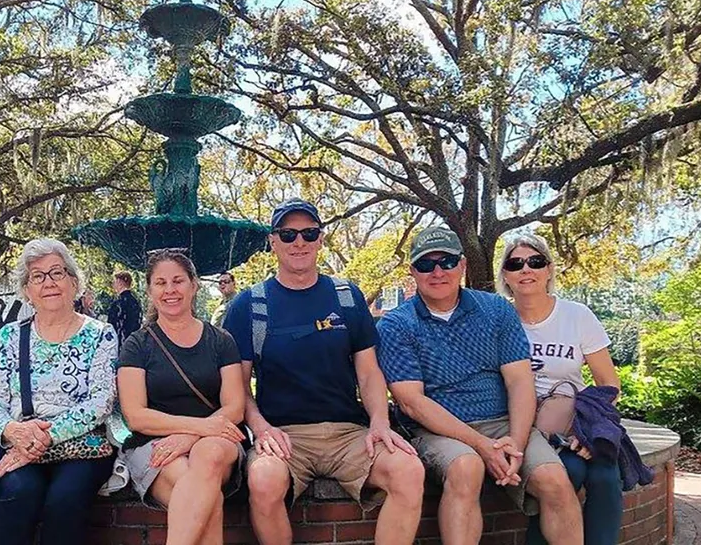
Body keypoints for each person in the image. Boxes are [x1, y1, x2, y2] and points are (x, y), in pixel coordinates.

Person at [223, 198, 424, 545]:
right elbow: (238, 386)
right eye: (288, 235)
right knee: (264, 480)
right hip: (285, 436)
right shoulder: (249, 306)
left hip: (349, 433)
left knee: (409, 471)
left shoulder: (347, 296)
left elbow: (369, 373)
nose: (298, 242)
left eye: (308, 233)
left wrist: (379, 421)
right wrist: (261, 428)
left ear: (320, 239)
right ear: (273, 242)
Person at [377, 226, 583, 545]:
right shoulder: (396, 324)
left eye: (446, 262)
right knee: (466, 467)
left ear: (462, 265)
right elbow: (411, 402)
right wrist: (482, 446)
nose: (437, 271)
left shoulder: (496, 310)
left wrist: (514, 442)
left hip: (502, 424)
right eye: (425, 264)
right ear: (412, 272)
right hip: (437, 431)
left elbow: (519, 380)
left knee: (555, 480)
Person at [0, 238, 118, 545]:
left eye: (57, 273)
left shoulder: (101, 334)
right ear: (27, 290)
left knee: (65, 500)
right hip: (16, 438)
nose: (48, 283)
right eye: (37, 277)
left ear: (73, 281)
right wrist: (13, 431)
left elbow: (101, 402)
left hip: (80, 446)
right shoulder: (9, 337)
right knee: (17, 493)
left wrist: (45, 437)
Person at [497, 233, 623, 545]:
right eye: (516, 264)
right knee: (568, 473)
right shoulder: (498, 319)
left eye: (535, 261)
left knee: (606, 476)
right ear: (506, 276)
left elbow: (609, 383)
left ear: (549, 269)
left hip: (572, 421)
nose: (526, 269)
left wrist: (586, 428)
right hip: (524, 424)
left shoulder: (577, 316)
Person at [117, 249, 246, 545]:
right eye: (161, 283)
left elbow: (235, 407)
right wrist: (198, 428)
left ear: (194, 285)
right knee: (205, 494)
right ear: (149, 290)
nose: (170, 290)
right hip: (155, 444)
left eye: (178, 281)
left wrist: (190, 437)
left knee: (208, 456)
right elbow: (136, 415)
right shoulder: (137, 345)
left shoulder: (221, 341)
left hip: (218, 438)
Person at [108, 271, 142, 343]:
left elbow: (113, 324)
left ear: (120, 282)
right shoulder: (136, 301)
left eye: (115, 282)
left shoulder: (119, 303)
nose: (113, 284)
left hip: (120, 341)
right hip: (134, 341)